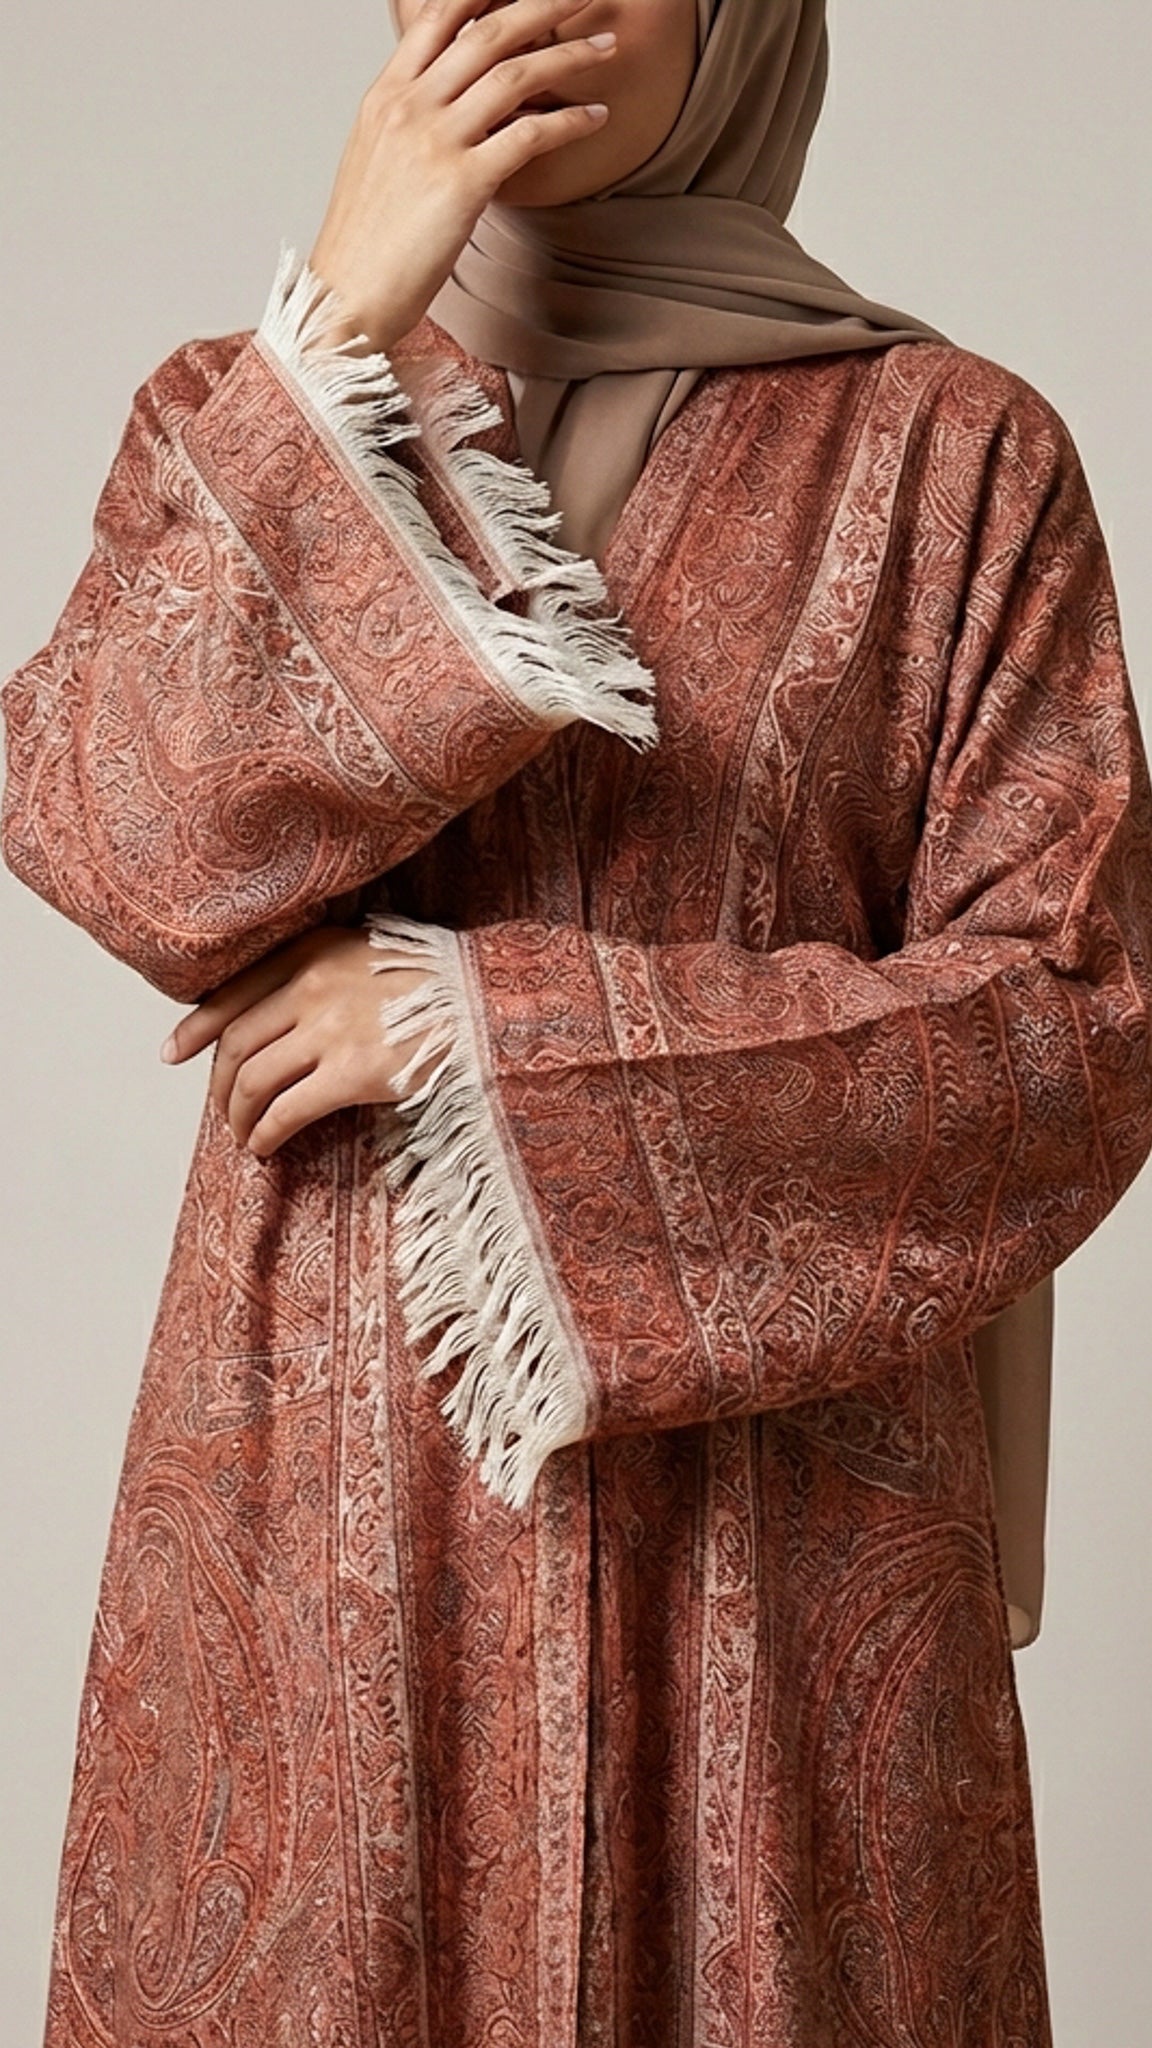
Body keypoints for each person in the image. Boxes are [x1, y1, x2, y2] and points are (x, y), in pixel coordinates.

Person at [2, 0, 1150, 2040]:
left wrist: (483, 1033)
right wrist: (335, 324)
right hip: (328, 1526)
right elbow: (116, 836)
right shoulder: (242, 417)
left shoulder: (956, 461)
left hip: (778, 1552)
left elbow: (1070, 1022)